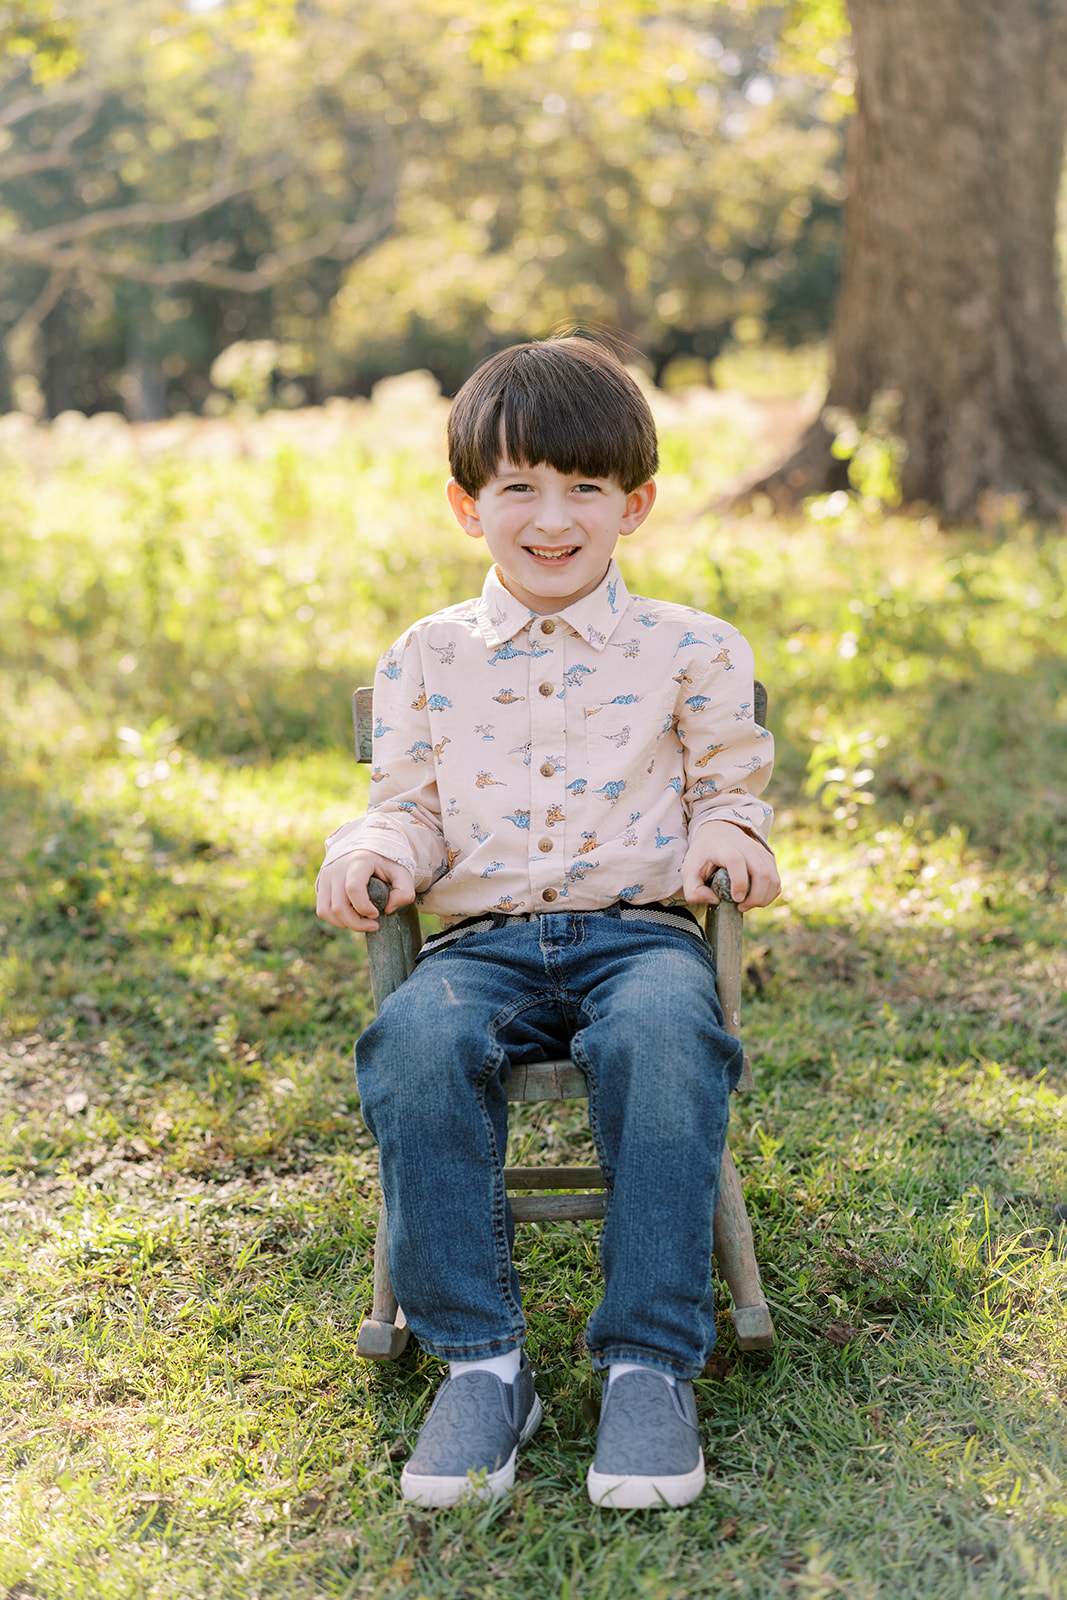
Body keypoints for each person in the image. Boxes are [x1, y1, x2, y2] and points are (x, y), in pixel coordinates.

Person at [315, 336, 779, 1510]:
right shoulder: (427, 657)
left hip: (641, 937)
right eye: (518, 486)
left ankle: (646, 1361)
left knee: (668, 1042)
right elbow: (407, 810)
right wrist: (371, 852)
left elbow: (729, 789)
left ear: (636, 503)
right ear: (469, 508)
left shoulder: (691, 649)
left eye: (582, 488)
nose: (551, 517)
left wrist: (730, 838)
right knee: (416, 1045)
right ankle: (482, 1359)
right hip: (478, 946)